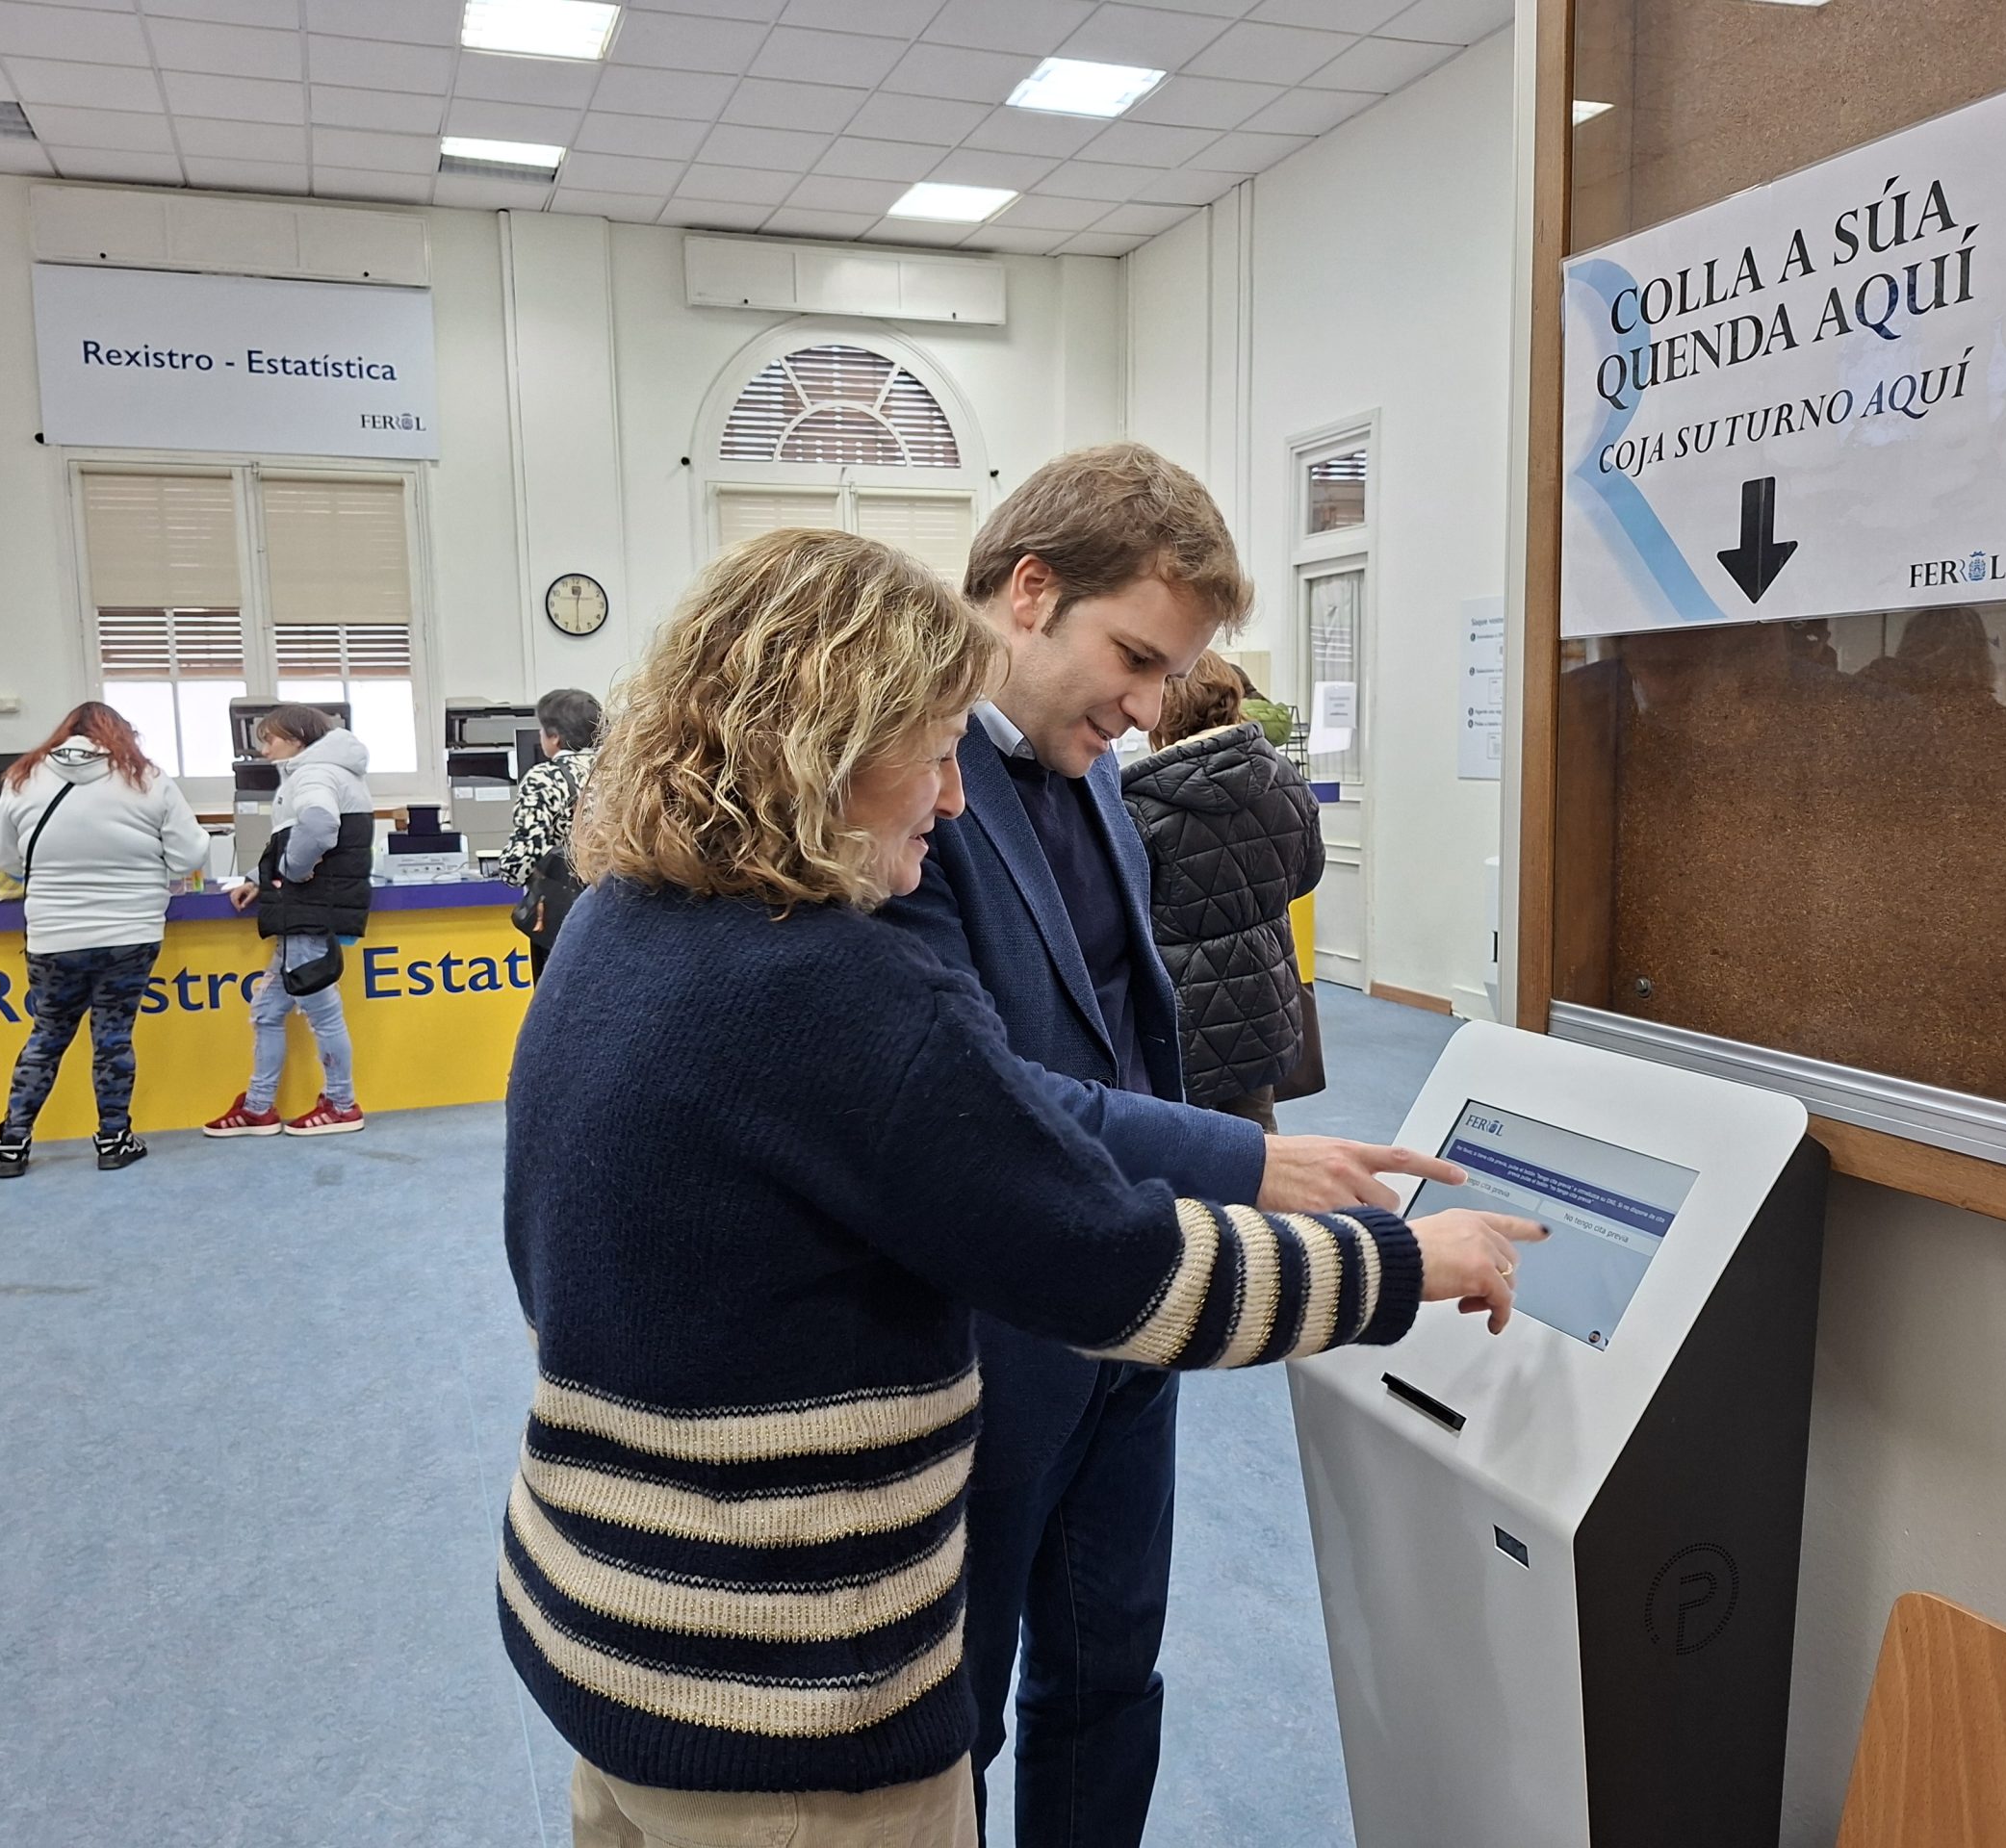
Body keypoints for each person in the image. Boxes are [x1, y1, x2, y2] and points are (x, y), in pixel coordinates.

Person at [500, 526, 1540, 1847]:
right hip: (790, 1710)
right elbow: (1120, 1272)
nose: (951, 799)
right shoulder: (833, 987)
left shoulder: (617, 923)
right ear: (830, 741)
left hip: (607, 1631)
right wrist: (1410, 1266)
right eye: (934, 753)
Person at [879, 443, 1445, 1847]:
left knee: (1113, 1674)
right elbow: (972, 1099)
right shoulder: (906, 800)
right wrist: (1247, 1164)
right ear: (1026, 593)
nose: (1143, 709)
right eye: (1131, 657)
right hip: (990, 1335)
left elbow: (1131, 1034)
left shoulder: (1104, 790)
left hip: (1135, 1311)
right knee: (965, 1706)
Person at [0, 701, 211, 1177]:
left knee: (47, 1036)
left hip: (53, 935)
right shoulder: (145, 778)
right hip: (130, 932)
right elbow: (190, 852)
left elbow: (5, 859)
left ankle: (11, 1145)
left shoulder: (23, 778)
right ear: (121, 734)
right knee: (112, 1037)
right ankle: (113, 1139)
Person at [1120, 647, 1324, 1133]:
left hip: (1178, 1016)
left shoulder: (1139, 803)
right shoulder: (1286, 779)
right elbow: (1307, 873)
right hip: (1265, 1000)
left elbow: (1121, 911)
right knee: (1259, 1146)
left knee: (1185, 1152)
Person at [203, 704, 373, 1138]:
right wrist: (257, 879)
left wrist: (291, 873)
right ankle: (258, 1107)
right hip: (304, 912)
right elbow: (289, 839)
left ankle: (341, 1105)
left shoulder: (314, 774)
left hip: (310, 912)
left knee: (322, 1012)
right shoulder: (322, 772)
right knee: (267, 1012)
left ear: (298, 738)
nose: (264, 749)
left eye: (270, 739)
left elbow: (318, 827)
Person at [494, 685, 603, 978]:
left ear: (555, 736)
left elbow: (522, 858)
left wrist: (507, 872)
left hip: (564, 913)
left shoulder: (545, 777)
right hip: (619, 907)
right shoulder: (621, 772)